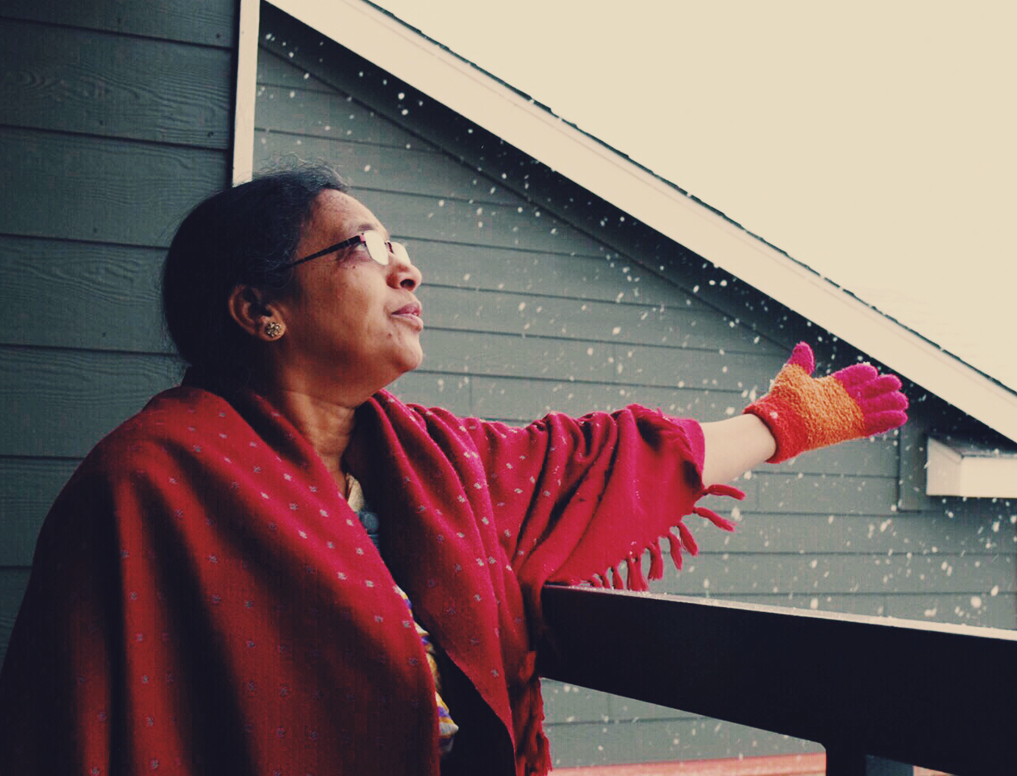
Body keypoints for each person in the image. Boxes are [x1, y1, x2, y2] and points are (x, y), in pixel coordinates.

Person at [0, 164, 907, 775]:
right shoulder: (147, 484)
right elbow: (74, 729)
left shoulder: (432, 460)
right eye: (364, 247)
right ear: (258, 307)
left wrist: (778, 423)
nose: (409, 270)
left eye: (401, 247)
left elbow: (593, 463)